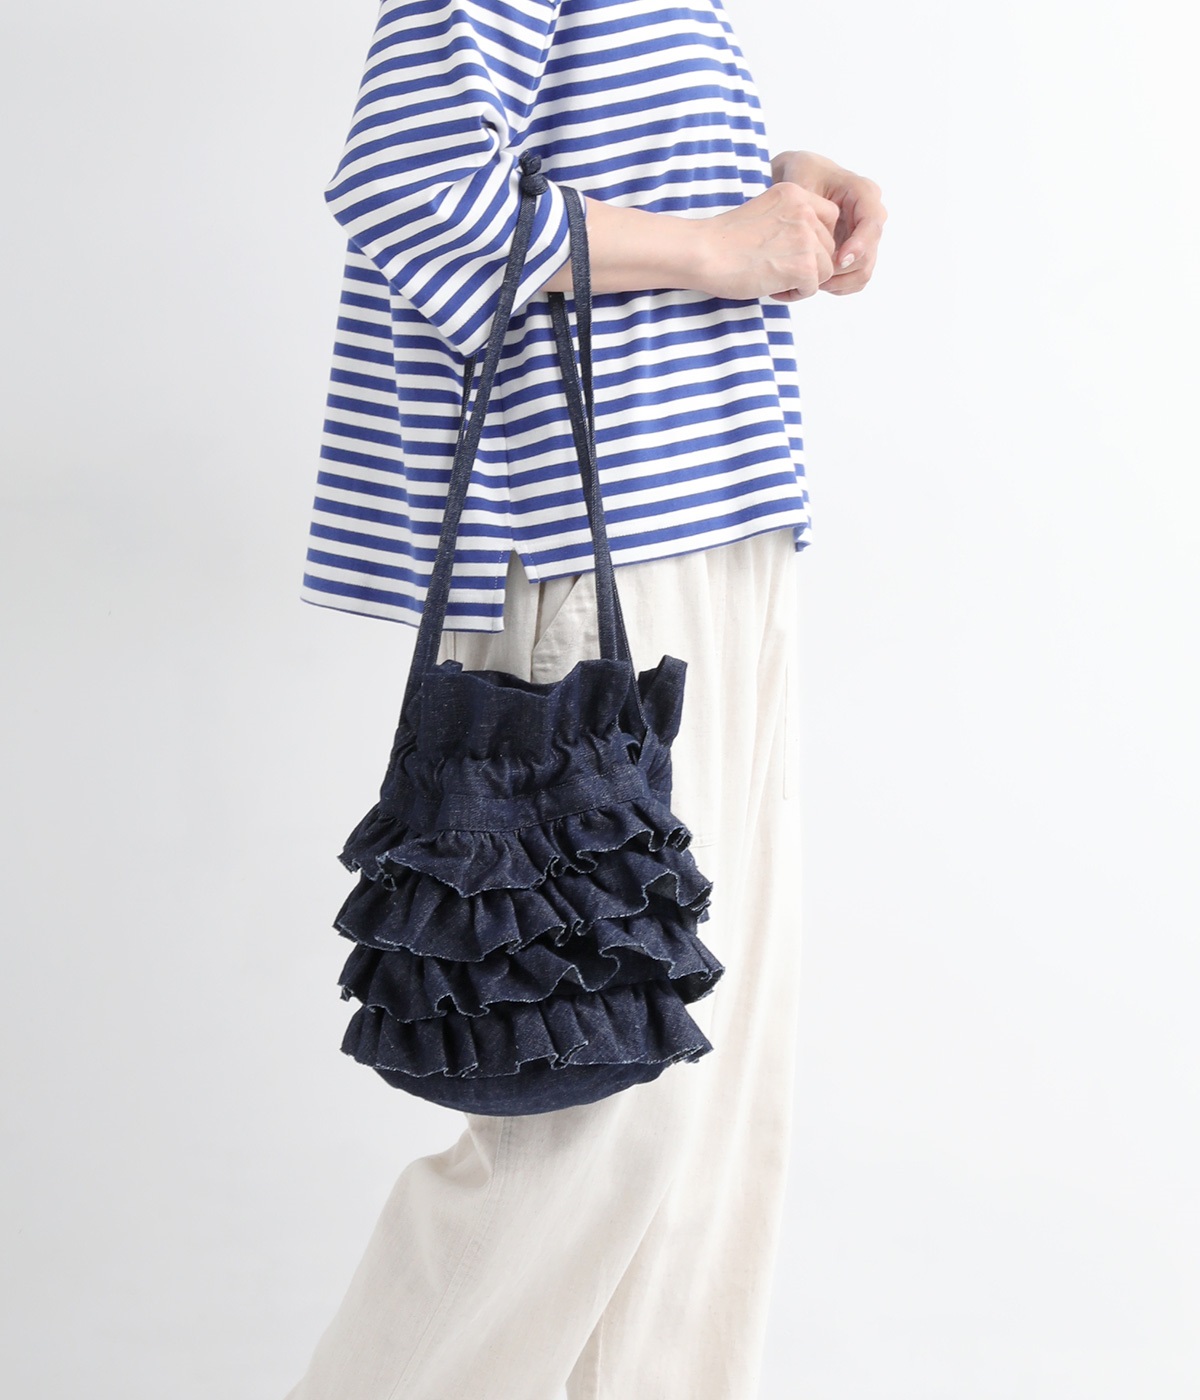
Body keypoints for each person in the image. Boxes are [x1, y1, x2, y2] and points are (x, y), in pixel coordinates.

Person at [286, 1, 886, 1396]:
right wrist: (722, 249)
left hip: (715, 521)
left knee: (705, 1106)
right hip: (593, 548)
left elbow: (560, 154)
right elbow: (415, 190)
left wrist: (764, 185)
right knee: (598, 1117)